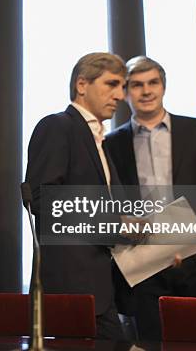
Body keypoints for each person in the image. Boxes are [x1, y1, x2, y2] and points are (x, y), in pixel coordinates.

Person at [105, 55, 196, 341]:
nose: (146, 91)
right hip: (147, 268)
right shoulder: (111, 144)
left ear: (163, 87)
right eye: (137, 85)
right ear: (125, 92)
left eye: (153, 83)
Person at [25, 52, 128, 340]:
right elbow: (43, 200)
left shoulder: (101, 142)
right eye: (112, 84)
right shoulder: (57, 126)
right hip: (69, 286)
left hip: (102, 286)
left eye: (122, 86)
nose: (121, 95)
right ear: (82, 85)